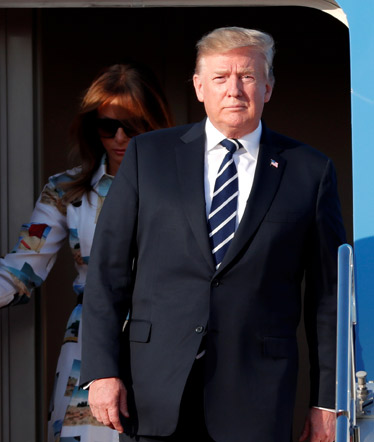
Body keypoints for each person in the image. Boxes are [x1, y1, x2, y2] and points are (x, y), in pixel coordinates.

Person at [80, 27, 346, 442]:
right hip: (154, 391)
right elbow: (107, 272)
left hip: (257, 395)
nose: (235, 90)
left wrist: (328, 401)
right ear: (199, 87)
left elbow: (327, 298)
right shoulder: (147, 156)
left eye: (248, 77)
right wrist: (102, 370)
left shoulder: (310, 171)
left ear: (269, 87)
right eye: (221, 78)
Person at [0, 63, 173, 442]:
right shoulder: (66, 190)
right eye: (107, 125)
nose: (120, 136)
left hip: (169, 339)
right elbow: (23, 266)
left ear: (155, 124)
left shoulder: (189, 188)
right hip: (91, 345)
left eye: (133, 125)